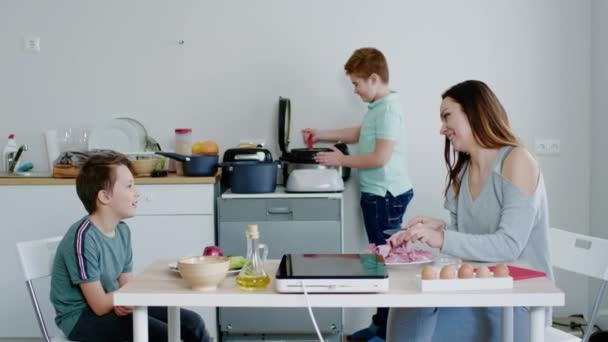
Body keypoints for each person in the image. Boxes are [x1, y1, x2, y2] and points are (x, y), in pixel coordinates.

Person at [386, 80, 552, 342]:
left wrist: (443, 238)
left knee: (417, 318)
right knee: (409, 307)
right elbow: (472, 242)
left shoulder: (517, 161)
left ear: (474, 111)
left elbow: (508, 246)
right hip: (479, 290)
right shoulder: (463, 172)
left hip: (517, 299)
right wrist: (440, 227)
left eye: (447, 116)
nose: (442, 129)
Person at [302, 47, 414, 342]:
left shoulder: (388, 109)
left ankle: (385, 331)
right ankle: (381, 327)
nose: (354, 90)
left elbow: (380, 157)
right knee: (381, 261)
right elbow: (360, 134)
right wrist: (321, 133)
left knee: (384, 264)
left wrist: (341, 161)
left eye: (356, 83)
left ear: (374, 79)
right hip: (380, 195)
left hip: (384, 197)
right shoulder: (380, 107)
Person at [50, 151, 210, 342]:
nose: (137, 192)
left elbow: (126, 283)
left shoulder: (122, 231)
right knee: (162, 335)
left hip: (113, 302)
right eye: (129, 186)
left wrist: (126, 298)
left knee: (193, 323)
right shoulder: (82, 238)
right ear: (105, 196)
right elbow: (100, 305)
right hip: (81, 318)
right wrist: (123, 298)